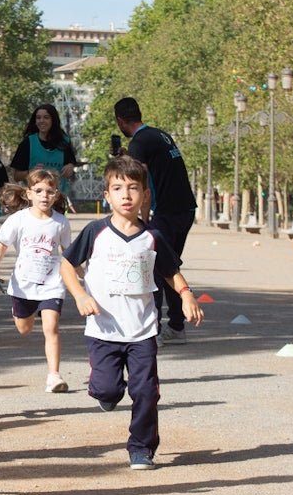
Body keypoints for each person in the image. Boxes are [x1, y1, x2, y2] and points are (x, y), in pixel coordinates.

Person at [59, 155, 204, 469]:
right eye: (118, 188)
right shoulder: (95, 232)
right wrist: (80, 295)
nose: (126, 195)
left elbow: (171, 271)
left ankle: (141, 448)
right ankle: (105, 392)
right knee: (108, 389)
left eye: (133, 188)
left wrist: (186, 295)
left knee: (146, 392)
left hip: (142, 330)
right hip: (103, 330)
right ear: (107, 195)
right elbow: (67, 265)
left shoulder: (153, 237)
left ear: (145, 195)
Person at [113, 96, 198, 344]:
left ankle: (155, 330)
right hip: (185, 209)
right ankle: (177, 326)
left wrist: (141, 218)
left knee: (155, 269)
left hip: (166, 212)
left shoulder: (139, 142)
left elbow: (139, 182)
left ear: (120, 120)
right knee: (169, 266)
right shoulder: (159, 135)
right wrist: (129, 156)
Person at [0, 168, 72, 393]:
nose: (44, 196)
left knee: (51, 327)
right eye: (38, 191)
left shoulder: (61, 222)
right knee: (24, 328)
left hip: (52, 284)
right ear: (29, 193)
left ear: (56, 195)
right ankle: (23, 315)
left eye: (49, 191)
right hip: (24, 285)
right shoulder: (18, 220)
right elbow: (0, 247)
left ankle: (54, 376)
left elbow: (68, 254)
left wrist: (84, 275)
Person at [9, 104, 77, 193]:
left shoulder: (64, 142)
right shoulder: (28, 143)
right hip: (34, 198)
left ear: (53, 120)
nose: (42, 121)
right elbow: (16, 176)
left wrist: (70, 166)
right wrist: (30, 172)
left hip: (57, 196)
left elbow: (71, 164)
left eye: (46, 117)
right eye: (38, 118)